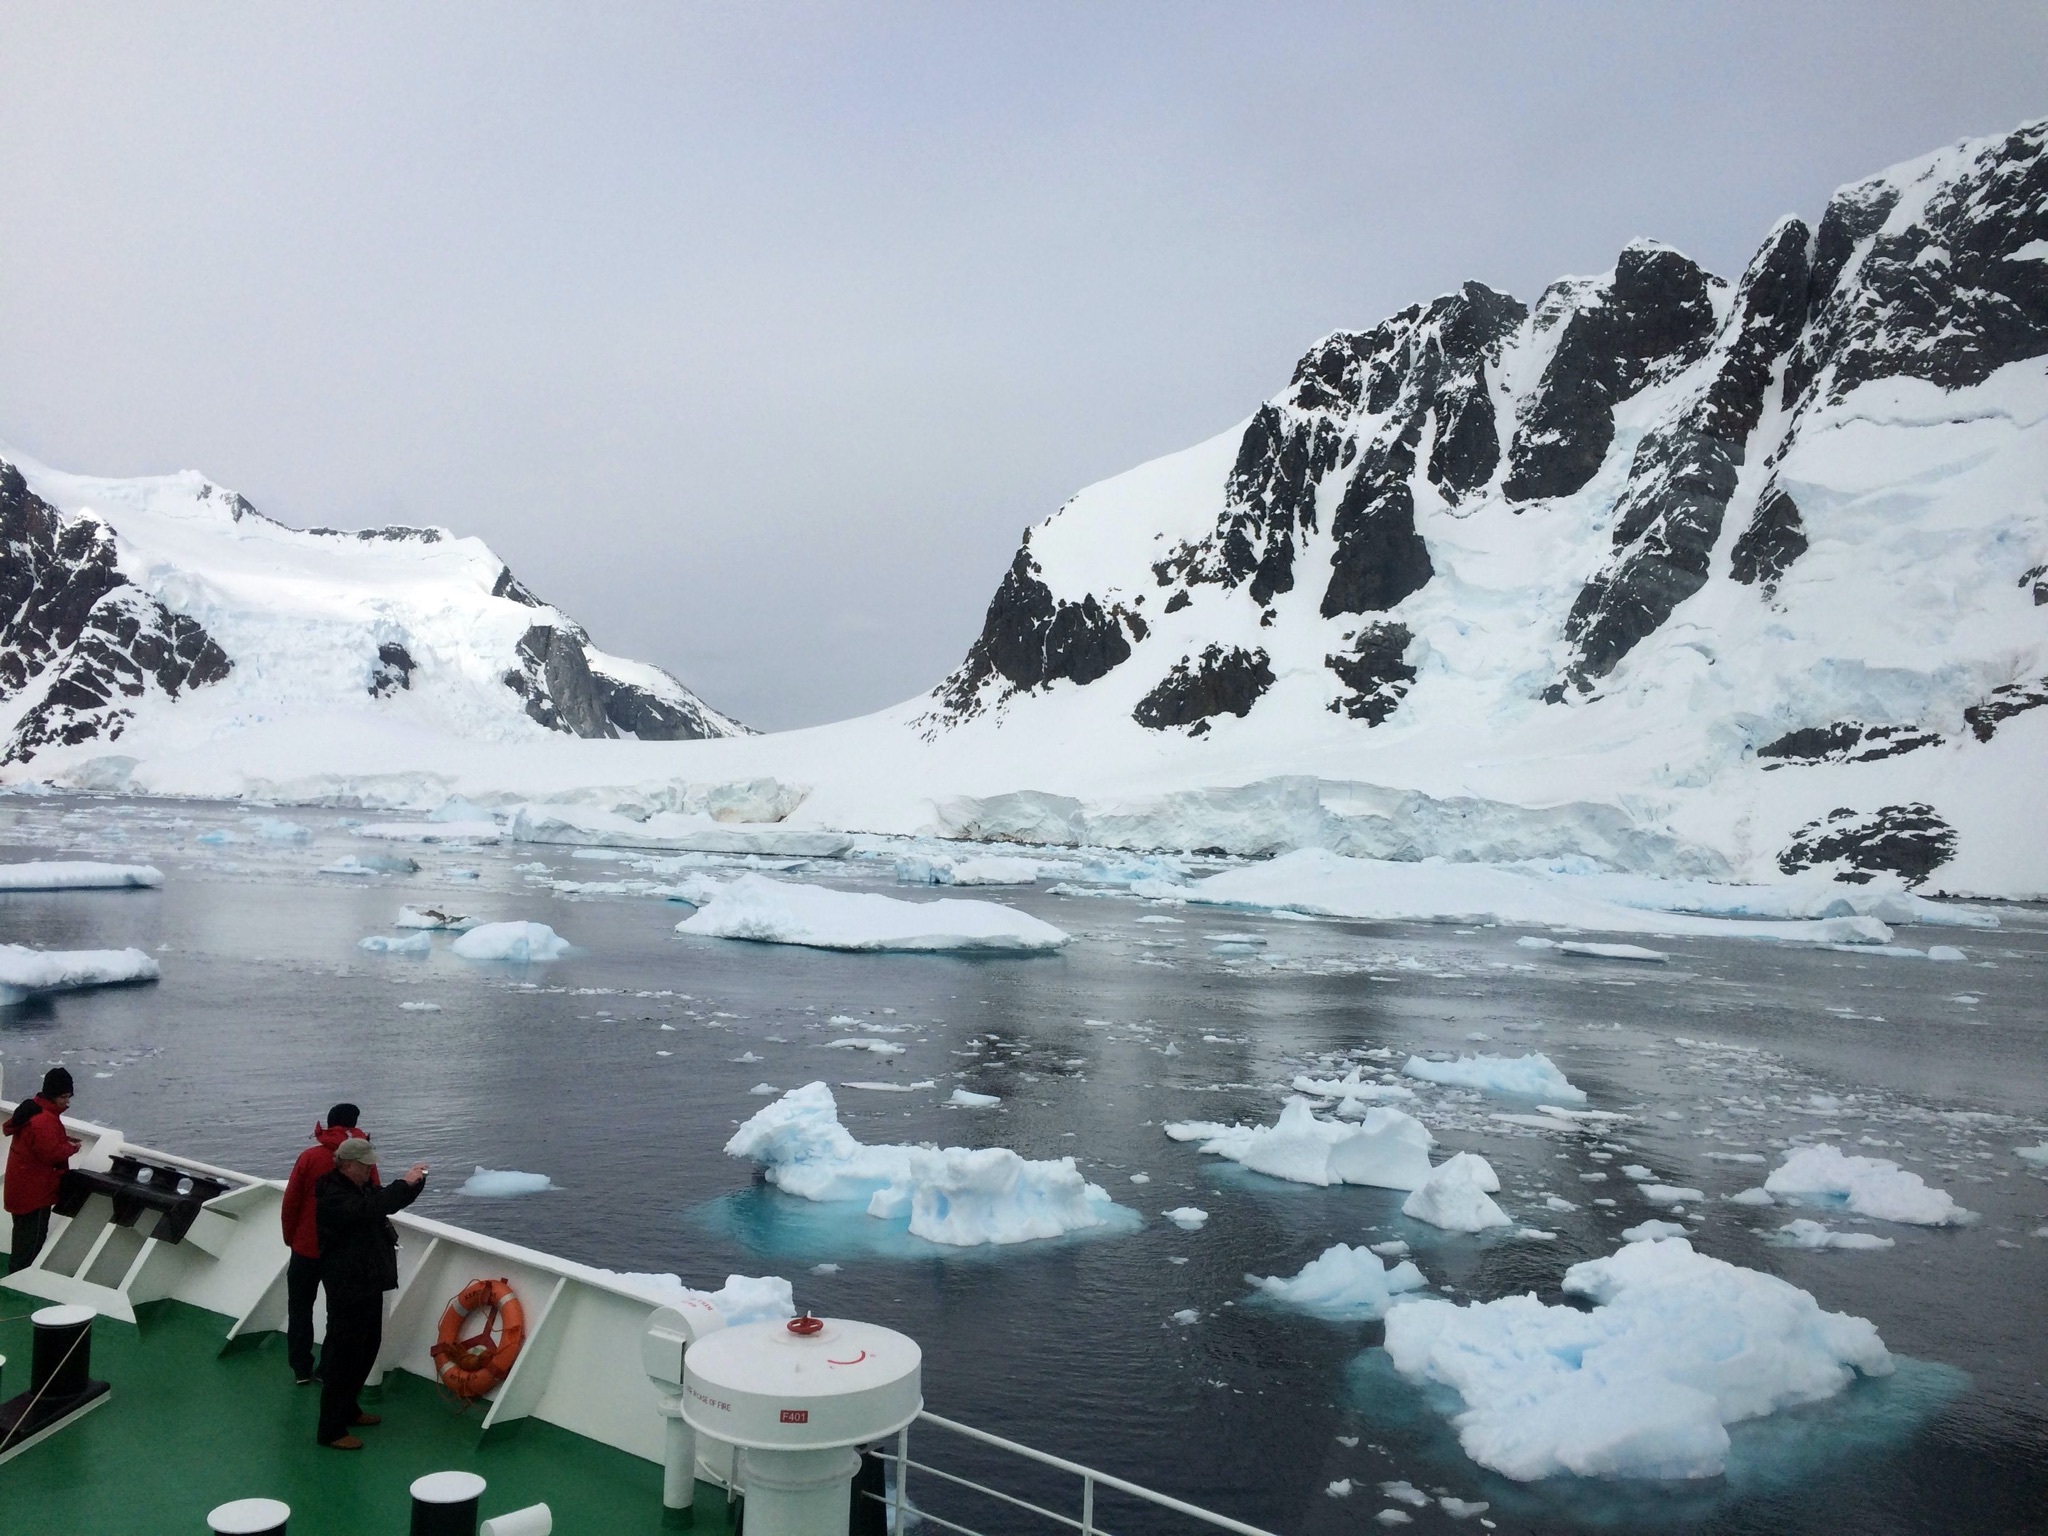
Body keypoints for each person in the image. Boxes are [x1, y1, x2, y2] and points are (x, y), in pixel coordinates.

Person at [313, 1137, 425, 1450]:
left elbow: (385, 1201)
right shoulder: (334, 1195)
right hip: (348, 1285)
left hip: (366, 1281)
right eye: (365, 1165)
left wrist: (414, 1184)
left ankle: (349, 1409)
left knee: (365, 1348)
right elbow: (372, 1207)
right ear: (347, 1165)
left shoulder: (357, 1188)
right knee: (343, 1356)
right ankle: (331, 1430)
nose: (370, 1169)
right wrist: (404, 1182)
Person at [279, 1103, 375, 1384]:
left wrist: (291, 1237)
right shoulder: (363, 1160)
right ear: (355, 1124)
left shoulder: (309, 1157)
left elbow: (291, 1202)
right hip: (342, 1250)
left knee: (299, 1307)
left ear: (328, 1124)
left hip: (305, 1247)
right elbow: (370, 1202)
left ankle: (301, 1368)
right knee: (339, 1312)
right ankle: (328, 1369)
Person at [4, 1068, 82, 1274]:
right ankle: (19, 1281)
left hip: (20, 1189)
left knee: (22, 1237)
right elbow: (52, 1153)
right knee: (32, 1242)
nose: (67, 1102)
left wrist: (64, 1141)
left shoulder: (32, 1111)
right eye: (64, 1097)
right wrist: (71, 1147)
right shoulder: (44, 1120)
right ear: (53, 1095)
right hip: (35, 1193)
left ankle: (15, 1276)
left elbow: (40, 1145)